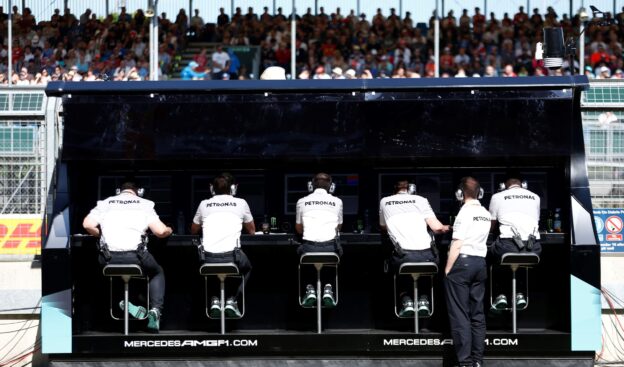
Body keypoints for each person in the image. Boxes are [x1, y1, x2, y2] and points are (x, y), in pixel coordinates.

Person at [82, 181, 173, 333]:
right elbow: (160, 232)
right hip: (136, 258)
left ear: (119, 191)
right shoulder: (145, 204)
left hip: (108, 259)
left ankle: (122, 302)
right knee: (157, 272)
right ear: (139, 191)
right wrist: (169, 229)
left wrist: (101, 234)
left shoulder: (105, 203)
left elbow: (87, 224)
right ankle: (156, 310)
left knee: (108, 275)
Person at [379, 179, 450, 317]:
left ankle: (406, 301)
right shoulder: (421, 200)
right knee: (424, 269)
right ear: (411, 190)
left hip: (403, 257)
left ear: (394, 190)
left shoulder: (384, 201)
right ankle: (424, 300)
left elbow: (383, 226)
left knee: (397, 268)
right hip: (429, 257)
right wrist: (448, 227)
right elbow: (437, 228)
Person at [191, 173, 255, 318]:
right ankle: (231, 300)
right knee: (247, 269)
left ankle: (214, 300)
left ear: (212, 189)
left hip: (208, 259)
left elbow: (194, 230)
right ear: (233, 188)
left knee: (211, 269)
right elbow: (251, 230)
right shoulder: (241, 203)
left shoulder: (203, 204)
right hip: (233, 257)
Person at [445, 177, 491, 367]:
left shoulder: (464, 213)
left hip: (462, 264)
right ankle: (478, 361)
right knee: (477, 315)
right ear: (480, 193)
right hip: (480, 264)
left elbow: (457, 243)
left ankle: (465, 362)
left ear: (460, 194)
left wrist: (448, 269)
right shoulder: (486, 213)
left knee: (460, 314)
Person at [488, 174, 542, 310]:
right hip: (533, 248)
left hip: (508, 246)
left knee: (492, 252)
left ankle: (501, 295)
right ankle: (520, 294)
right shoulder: (536, 197)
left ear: (503, 185)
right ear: (523, 184)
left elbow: (491, 225)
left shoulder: (497, 197)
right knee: (521, 262)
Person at [295, 173, 343, 307]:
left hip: (309, 248)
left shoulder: (302, 201)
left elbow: (299, 229)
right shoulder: (338, 201)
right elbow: (338, 227)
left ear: (311, 186)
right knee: (335, 255)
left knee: (302, 256)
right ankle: (328, 288)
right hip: (330, 249)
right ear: (331, 186)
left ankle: (310, 289)